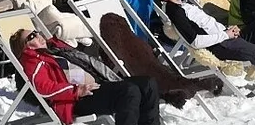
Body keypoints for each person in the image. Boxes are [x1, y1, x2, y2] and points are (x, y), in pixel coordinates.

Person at [13, 29, 164, 125]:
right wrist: (76, 91)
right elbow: (43, 89)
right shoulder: (31, 61)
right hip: (78, 98)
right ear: (24, 47)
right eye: (32, 36)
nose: (38, 35)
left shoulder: (55, 48)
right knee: (128, 91)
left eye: (36, 31)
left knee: (148, 83)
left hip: (98, 83)